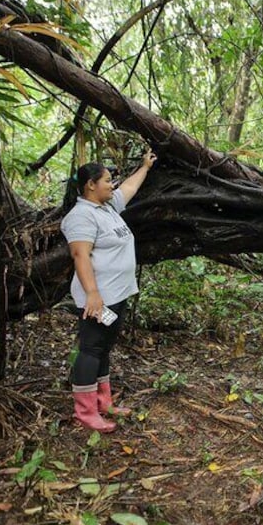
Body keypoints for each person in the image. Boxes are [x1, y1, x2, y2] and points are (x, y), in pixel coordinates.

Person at [60, 151, 157, 432]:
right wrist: (92, 293)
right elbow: (80, 256)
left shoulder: (106, 207)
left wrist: (145, 167)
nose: (112, 184)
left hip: (116, 294)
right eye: (106, 180)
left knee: (103, 348)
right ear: (90, 184)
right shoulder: (81, 216)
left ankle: (104, 402)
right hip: (97, 298)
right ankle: (86, 411)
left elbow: (129, 187)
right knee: (90, 349)